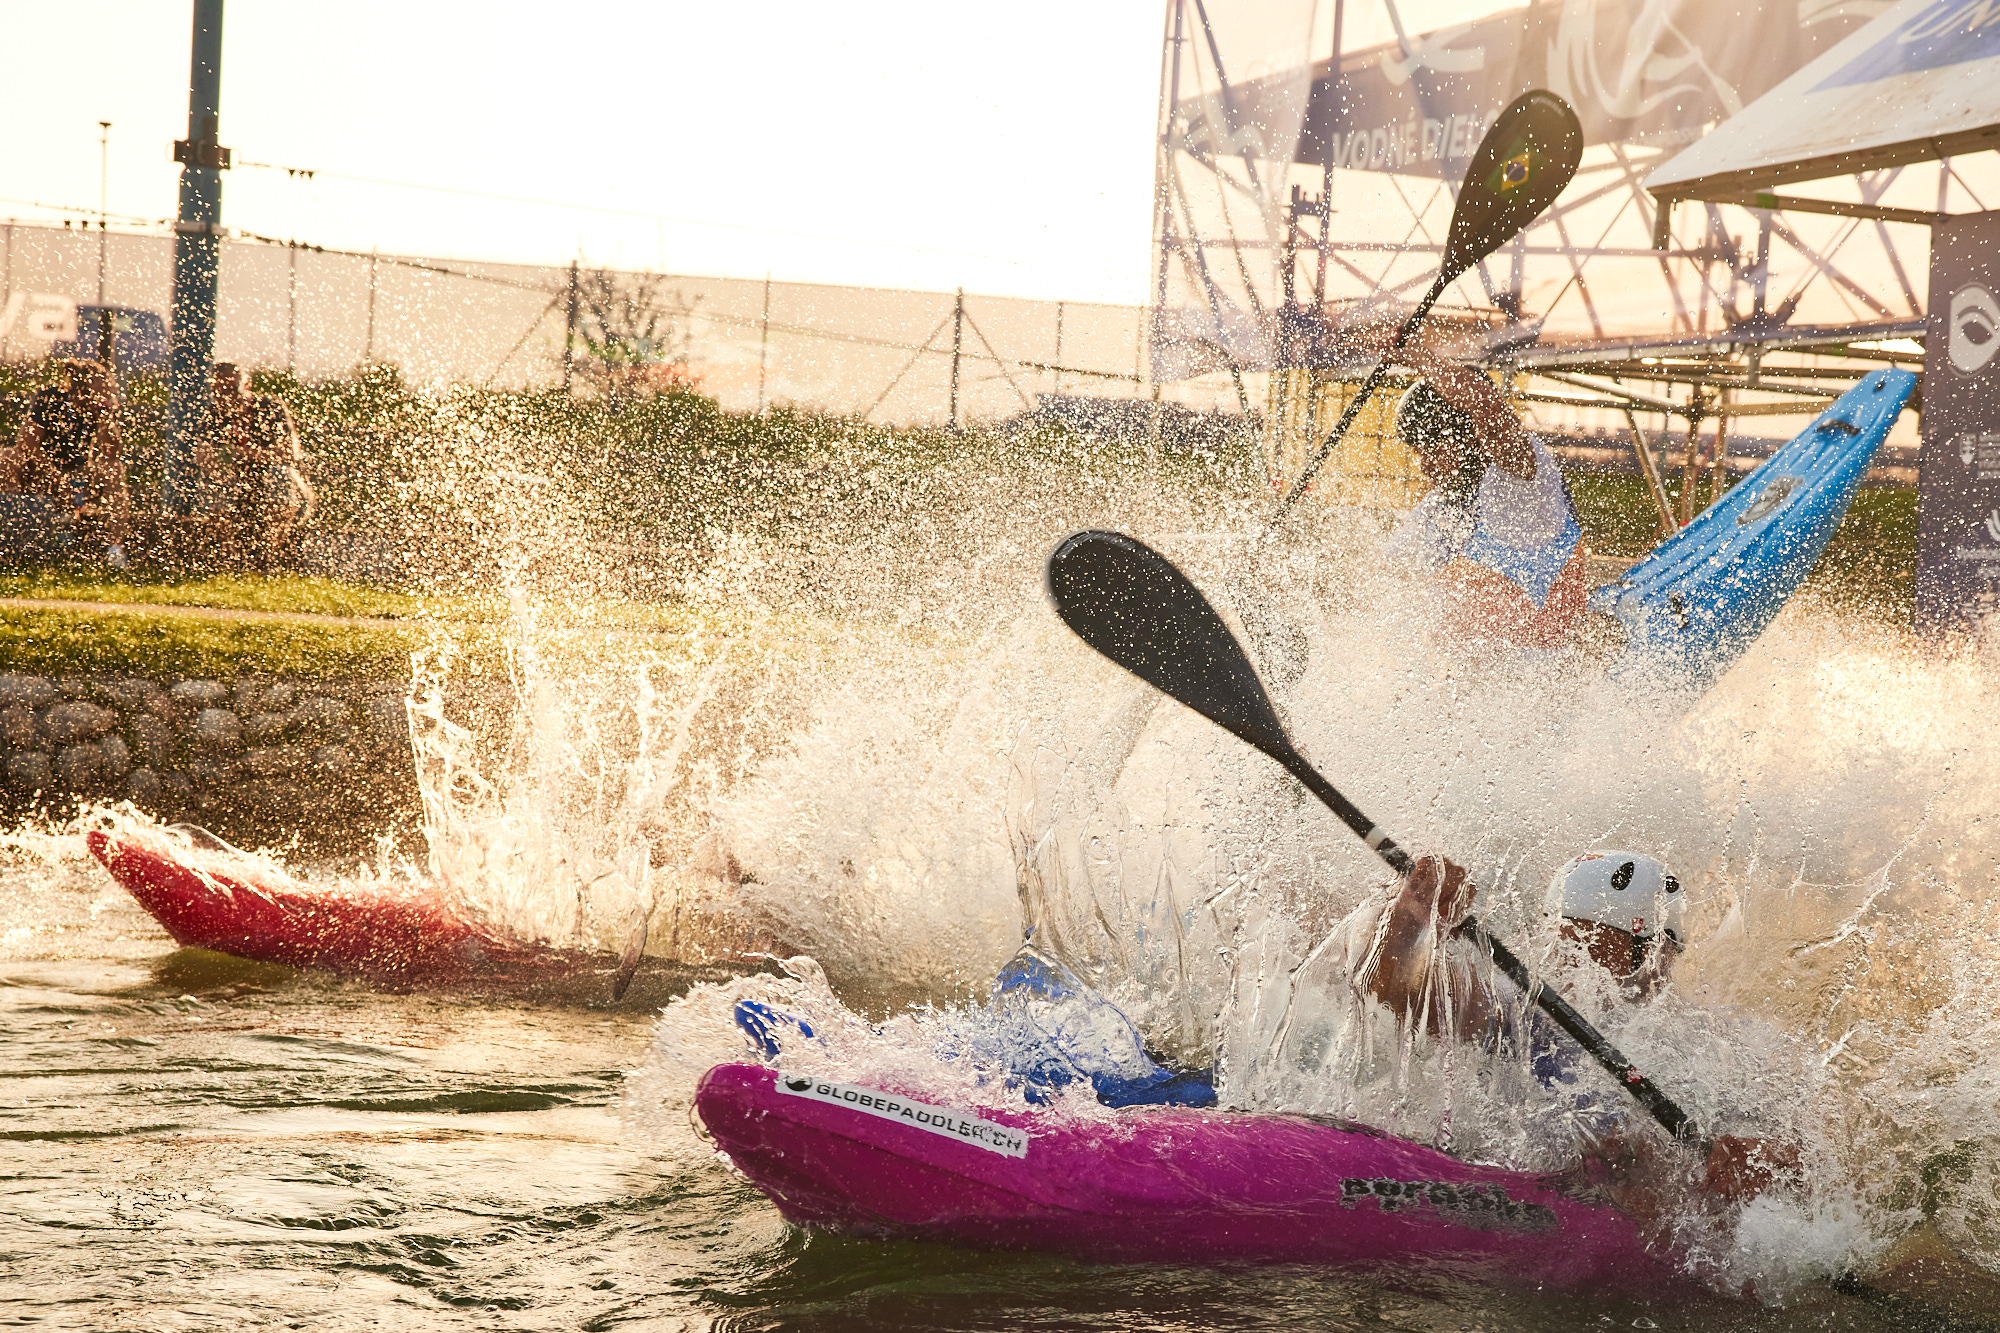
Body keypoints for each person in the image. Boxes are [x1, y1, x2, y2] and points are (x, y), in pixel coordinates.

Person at [1358, 850, 1799, 1222]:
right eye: (1559, 935)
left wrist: (1763, 1159)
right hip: (1538, 1195)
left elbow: (1812, 1163)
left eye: (1585, 941)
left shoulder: (1726, 1042)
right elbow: (1397, 989)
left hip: (1637, 1222)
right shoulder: (1519, 1010)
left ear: (1654, 951)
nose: (1562, 955)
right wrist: (1412, 913)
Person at [1362, 326, 1588, 651]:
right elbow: (1383, 576)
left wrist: (1422, 359)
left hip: (1536, 670)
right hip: (1462, 673)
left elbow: (1487, 408)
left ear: (1469, 435)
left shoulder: (1521, 482)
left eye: (1431, 449)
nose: (1424, 465)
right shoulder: (1440, 506)